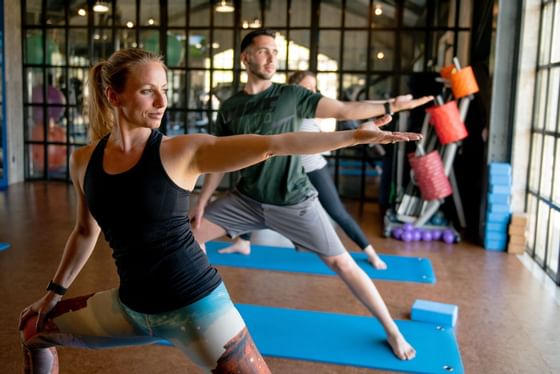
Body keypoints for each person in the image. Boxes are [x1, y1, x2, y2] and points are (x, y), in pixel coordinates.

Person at [18, 48, 422, 373]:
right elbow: (85, 231)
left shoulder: (181, 151)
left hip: (199, 310)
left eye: (164, 88)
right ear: (113, 95)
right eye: (147, 91)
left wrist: (352, 137)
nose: (162, 101)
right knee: (31, 329)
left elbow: (272, 144)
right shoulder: (83, 161)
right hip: (131, 308)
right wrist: (54, 293)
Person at [189, 29, 433, 361]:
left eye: (275, 51)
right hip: (246, 199)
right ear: (245, 58)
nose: (272, 57)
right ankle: (205, 313)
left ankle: (392, 330)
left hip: (294, 200)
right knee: (189, 236)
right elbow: (219, 159)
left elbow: (345, 110)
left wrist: (391, 105)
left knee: (343, 264)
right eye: (264, 51)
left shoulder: (292, 95)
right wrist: (202, 203)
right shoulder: (230, 107)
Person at [218, 71, 414, 270]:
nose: (312, 91)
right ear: (294, 88)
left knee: (337, 212)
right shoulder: (286, 106)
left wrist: (392, 103)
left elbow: (349, 108)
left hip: (313, 167)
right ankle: (243, 242)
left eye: (314, 87)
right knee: (254, 198)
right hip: (287, 170)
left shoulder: (311, 108)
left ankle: (370, 252)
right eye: (307, 87)